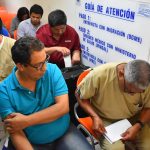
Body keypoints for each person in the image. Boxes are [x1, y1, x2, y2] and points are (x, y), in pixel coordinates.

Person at [0, 36, 92, 150]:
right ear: (21, 66)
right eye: (38, 65)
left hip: (64, 132)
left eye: (45, 60)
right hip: (33, 141)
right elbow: (15, 130)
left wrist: (26, 120)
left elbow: (63, 108)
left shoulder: (52, 70)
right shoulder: (4, 90)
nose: (44, 68)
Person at [75, 60, 150, 150]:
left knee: (147, 146)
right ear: (121, 74)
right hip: (105, 119)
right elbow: (79, 95)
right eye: (130, 90)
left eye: (140, 92)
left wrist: (138, 126)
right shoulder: (99, 75)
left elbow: (148, 107)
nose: (133, 94)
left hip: (134, 117)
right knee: (116, 148)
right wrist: (94, 116)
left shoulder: (146, 81)